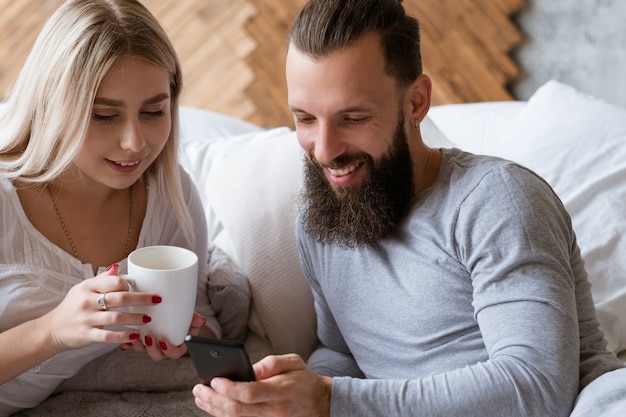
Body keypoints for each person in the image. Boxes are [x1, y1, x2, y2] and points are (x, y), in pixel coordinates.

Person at [191, 0, 625, 416]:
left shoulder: (495, 199)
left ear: (415, 102)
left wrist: (330, 402)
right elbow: (343, 353)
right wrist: (292, 397)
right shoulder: (323, 217)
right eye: (305, 119)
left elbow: (538, 389)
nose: (324, 151)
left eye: (354, 118)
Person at [0, 0, 232, 414]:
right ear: (51, 104)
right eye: (105, 115)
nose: (134, 143)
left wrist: (181, 337)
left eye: (153, 112)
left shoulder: (170, 193)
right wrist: (54, 331)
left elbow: (206, 326)